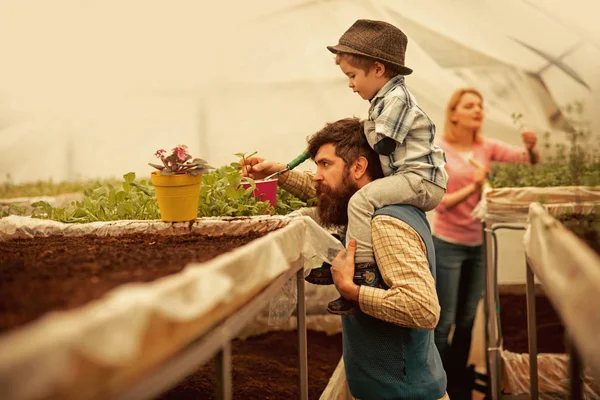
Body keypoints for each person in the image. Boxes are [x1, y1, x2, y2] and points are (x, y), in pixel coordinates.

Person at [242, 117, 448, 400]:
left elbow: (423, 309)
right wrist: (280, 174)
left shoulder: (384, 223)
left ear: (359, 166)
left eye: (325, 164)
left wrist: (352, 291)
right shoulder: (370, 208)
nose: (316, 175)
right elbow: (330, 195)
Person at [304, 19, 448, 315]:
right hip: (409, 176)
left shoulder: (397, 98)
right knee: (354, 200)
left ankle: (362, 273)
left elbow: (382, 144)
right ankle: (341, 254)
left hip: (420, 179)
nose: (350, 84)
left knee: (361, 200)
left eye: (353, 75)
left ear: (379, 69)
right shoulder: (382, 100)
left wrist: (365, 125)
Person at [432, 88, 540, 399]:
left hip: (479, 244)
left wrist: (531, 149)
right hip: (448, 244)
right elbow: (442, 203)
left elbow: (528, 161)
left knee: (468, 318)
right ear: (454, 113)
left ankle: (457, 377)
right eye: (469, 105)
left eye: (480, 105)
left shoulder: (485, 147)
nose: (477, 110)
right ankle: (435, 380)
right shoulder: (440, 151)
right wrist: (477, 185)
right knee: (445, 319)